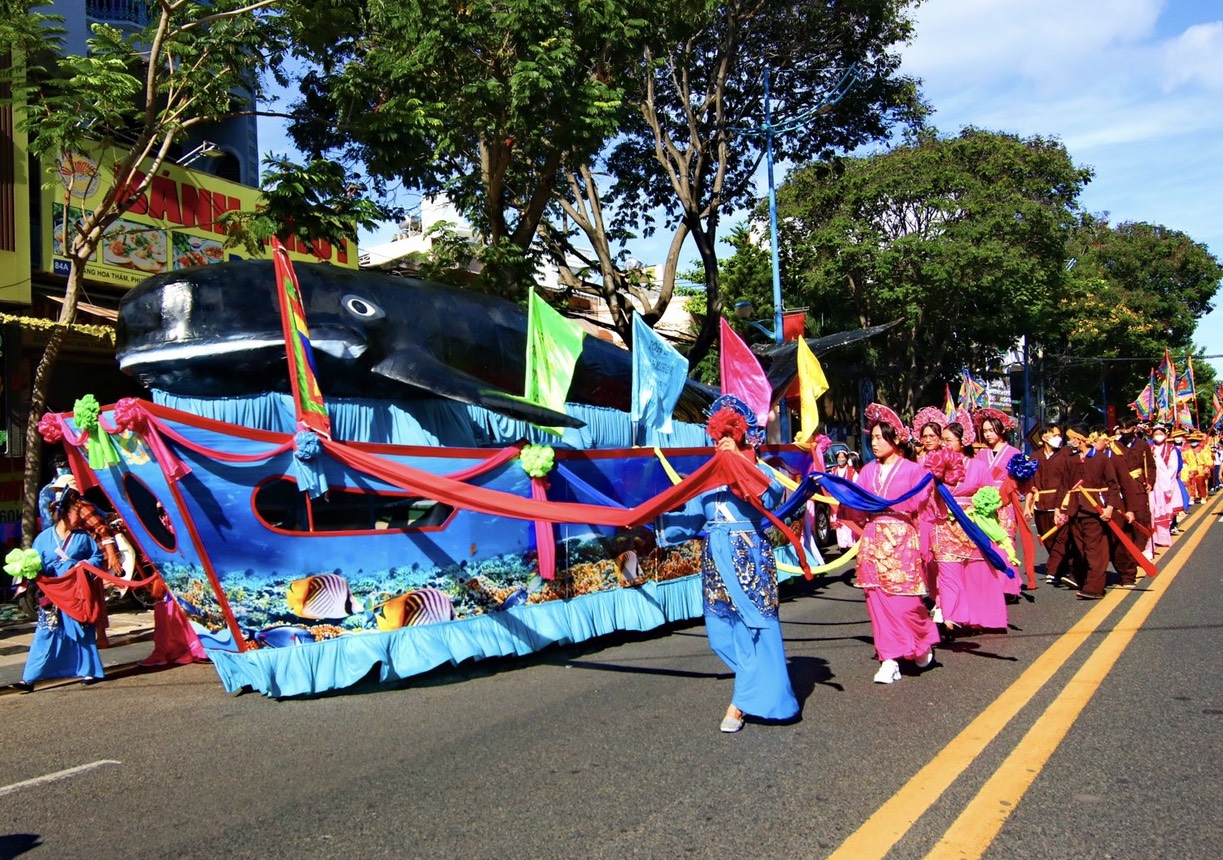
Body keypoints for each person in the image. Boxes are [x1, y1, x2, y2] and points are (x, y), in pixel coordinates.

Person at [697, 395, 798, 732]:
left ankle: (740, 702)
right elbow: (692, 513)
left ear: (740, 433)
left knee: (755, 628)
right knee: (720, 632)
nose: (722, 439)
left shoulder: (761, 469)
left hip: (748, 553)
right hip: (715, 555)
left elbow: (768, 499)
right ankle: (753, 691)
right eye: (717, 432)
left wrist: (736, 464)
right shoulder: (706, 473)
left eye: (729, 432)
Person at [839, 404, 939, 684]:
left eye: (881, 437)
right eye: (872, 438)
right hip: (874, 543)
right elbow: (856, 507)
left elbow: (923, 508)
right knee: (877, 604)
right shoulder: (868, 471)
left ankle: (921, 639)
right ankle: (889, 658)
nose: (875, 442)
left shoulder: (914, 471)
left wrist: (924, 542)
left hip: (902, 543)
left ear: (896, 440)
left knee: (906, 604)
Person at [12, 486, 107, 693]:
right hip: (53, 592)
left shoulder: (84, 538)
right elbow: (38, 563)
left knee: (81, 630)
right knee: (45, 633)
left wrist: (81, 565)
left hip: (77, 592)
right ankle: (29, 678)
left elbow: (97, 558)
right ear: (64, 512)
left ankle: (89, 670)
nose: (80, 516)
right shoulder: (43, 538)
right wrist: (29, 570)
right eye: (76, 511)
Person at [931, 421, 1009, 632]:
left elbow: (991, 495)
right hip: (945, 526)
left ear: (963, 441)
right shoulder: (936, 466)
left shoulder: (978, 467)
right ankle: (950, 618)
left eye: (948, 441)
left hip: (971, 527)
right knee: (948, 572)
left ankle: (976, 617)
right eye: (943, 441)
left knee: (976, 573)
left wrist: (986, 517)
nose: (944, 445)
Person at [1056, 427, 1123, 600]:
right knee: (1081, 549)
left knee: (1095, 550)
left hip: (1094, 510)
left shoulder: (1101, 459)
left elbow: (1113, 485)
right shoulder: (1070, 461)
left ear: (1081, 440)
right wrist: (1058, 509)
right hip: (1075, 511)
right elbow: (1063, 485)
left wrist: (1110, 507)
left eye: (1073, 439)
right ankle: (1085, 579)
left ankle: (1095, 587)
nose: (1070, 442)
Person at [974, 410, 1023, 599]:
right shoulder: (981, 454)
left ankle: (1010, 586)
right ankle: (993, 584)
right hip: (984, 504)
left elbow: (1020, 481)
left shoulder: (1014, 453)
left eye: (991, 430)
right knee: (988, 542)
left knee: (1006, 540)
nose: (987, 434)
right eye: (985, 430)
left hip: (1005, 504)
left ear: (1001, 430)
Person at [1025, 423, 1077, 584]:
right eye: (1054, 434)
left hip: (1061, 502)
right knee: (1047, 538)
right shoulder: (1035, 457)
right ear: (1044, 437)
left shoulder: (1066, 454)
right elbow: (1029, 484)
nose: (1058, 438)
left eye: (1058, 434)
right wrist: (1027, 505)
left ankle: (1053, 569)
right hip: (1041, 503)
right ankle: (1063, 569)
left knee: (1062, 537)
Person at [828, 449, 858, 550]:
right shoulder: (833, 470)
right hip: (836, 500)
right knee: (839, 522)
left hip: (848, 500)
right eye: (839, 457)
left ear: (846, 458)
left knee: (849, 521)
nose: (841, 459)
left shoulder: (851, 470)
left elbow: (856, 483)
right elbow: (830, 483)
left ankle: (851, 543)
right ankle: (842, 545)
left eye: (843, 457)